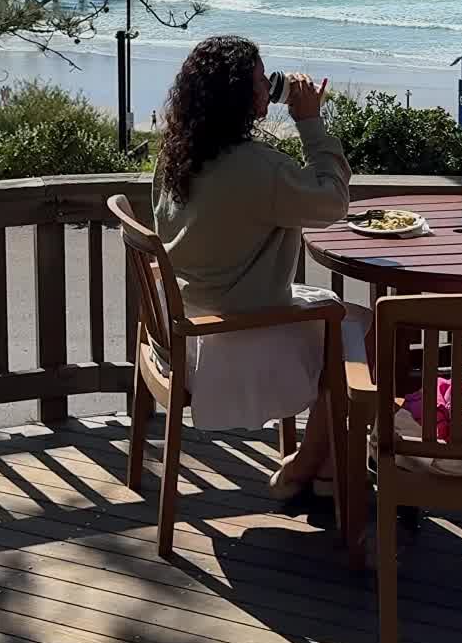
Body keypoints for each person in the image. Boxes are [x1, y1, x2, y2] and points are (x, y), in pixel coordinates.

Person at [153, 34, 368, 498]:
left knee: (345, 317)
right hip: (241, 331)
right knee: (360, 333)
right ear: (239, 97)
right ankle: (308, 464)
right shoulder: (259, 169)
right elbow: (333, 201)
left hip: (188, 326)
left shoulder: (178, 154)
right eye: (259, 83)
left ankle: (328, 471)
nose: (266, 91)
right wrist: (310, 122)